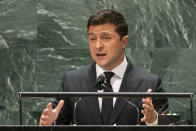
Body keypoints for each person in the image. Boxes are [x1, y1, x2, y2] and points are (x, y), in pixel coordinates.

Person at [40, 9, 168, 125]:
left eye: (106, 38)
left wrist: (153, 121)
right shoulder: (72, 81)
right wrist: (48, 125)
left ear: (124, 42)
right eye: (92, 39)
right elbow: (57, 121)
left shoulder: (150, 83)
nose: (98, 46)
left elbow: (167, 126)